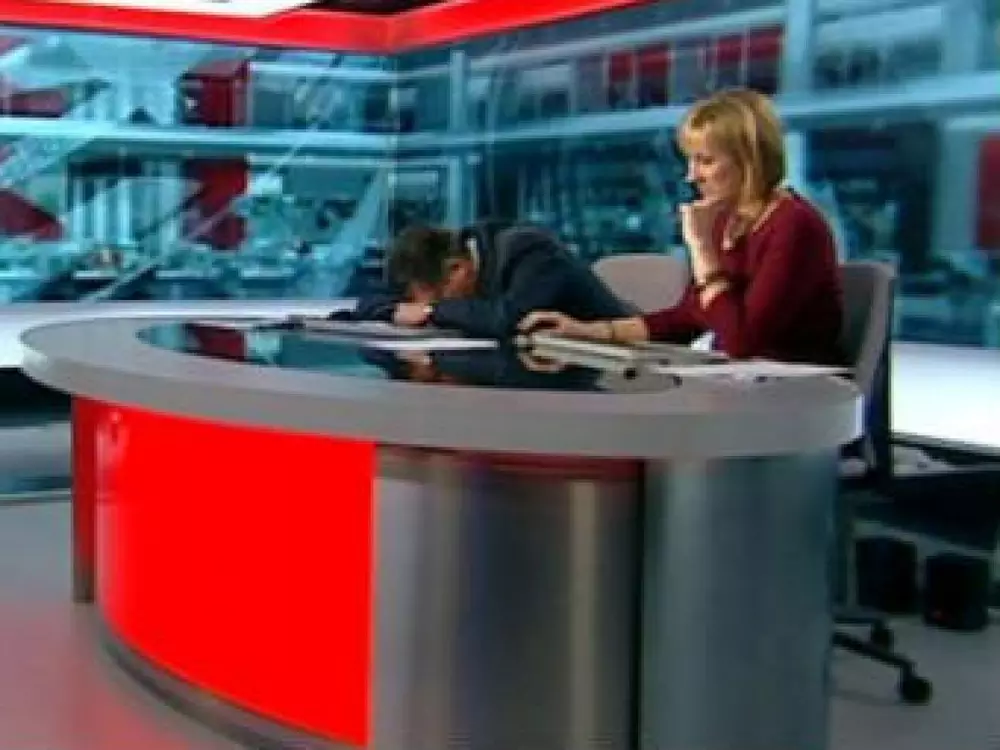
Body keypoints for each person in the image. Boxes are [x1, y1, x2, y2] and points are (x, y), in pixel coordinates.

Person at [520, 88, 845, 365]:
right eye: (691, 161)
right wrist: (586, 331)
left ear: (750, 160)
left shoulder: (794, 225)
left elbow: (742, 341)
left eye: (706, 161)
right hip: (740, 384)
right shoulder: (727, 222)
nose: (692, 176)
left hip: (793, 399)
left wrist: (702, 249)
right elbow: (690, 318)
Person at [358, 220, 630, 339]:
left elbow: (510, 319)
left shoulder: (530, 251)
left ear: (456, 269)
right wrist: (394, 310)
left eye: (440, 298)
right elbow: (369, 301)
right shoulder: (459, 256)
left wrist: (431, 311)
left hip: (619, 367)